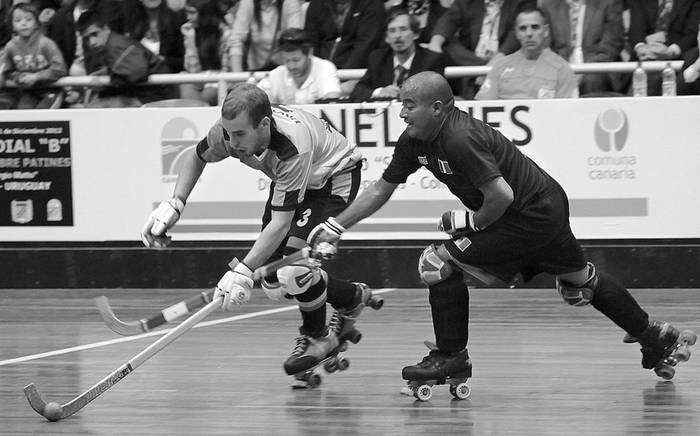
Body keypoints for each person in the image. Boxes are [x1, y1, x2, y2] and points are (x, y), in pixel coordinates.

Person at [307, 71, 696, 387]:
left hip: (526, 214)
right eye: (401, 104)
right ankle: (655, 336)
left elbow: (501, 195)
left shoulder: (459, 138)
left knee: (435, 263)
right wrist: (335, 225)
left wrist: (467, 223)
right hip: (545, 204)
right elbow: (381, 188)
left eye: (409, 105)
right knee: (579, 281)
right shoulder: (415, 140)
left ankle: (451, 357)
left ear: (438, 108)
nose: (402, 113)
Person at [140, 82, 382, 379]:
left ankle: (317, 338)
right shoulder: (230, 131)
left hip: (333, 178)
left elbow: (281, 224)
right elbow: (195, 156)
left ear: (264, 124)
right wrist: (175, 203)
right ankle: (351, 297)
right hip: (294, 182)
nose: (232, 142)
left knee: (294, 270)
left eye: (240, 135)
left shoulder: (290, 146)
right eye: (228, 134)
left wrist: (241, 270)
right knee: (273, 285)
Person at [77, 8, 177, 107]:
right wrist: (108, 72)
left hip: (156, 98)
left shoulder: (115, 45)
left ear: (106, 28)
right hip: (150, 96)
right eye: (86, 39)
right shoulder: (110, 45)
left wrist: (107, 83)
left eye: (95, 34)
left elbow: (138, 72)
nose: (92, 42)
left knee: (96, 107)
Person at [475, 7, 577, 99]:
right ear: (516, 33)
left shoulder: (562, 69)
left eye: (535, 27)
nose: (529, 34)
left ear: (546, 31)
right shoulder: (500, 66)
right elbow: (482, 106)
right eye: (523, 28)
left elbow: (568, 111)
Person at [349, 6, 446, 102]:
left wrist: (404, 94)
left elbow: (437, 94)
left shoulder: (431, 60)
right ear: (387, 38)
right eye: (392, 31)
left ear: (416, 34)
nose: (397, 36)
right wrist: (380, 92)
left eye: (403, 29)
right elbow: (358, 92)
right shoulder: (377, 58)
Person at [540, 0, 625, 96]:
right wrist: (564, 70)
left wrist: (584, 70)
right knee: (546, 78)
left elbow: (611, 46)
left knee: (592, 79)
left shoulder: (608, 3)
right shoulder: (548, 5)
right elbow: (545, 46)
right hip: (562, 65)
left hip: (597, 66)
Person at [0, 2, 67, 108]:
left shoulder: (46, 43)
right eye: (18, 20)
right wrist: (18, 76)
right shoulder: (11, 46)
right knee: (23, 114)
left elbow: (60, 69)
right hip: (29, 91)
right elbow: (7, 70)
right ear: (12, 26)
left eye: (28, 19)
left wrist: (36, 77)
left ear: (36, 24)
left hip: (52, 89)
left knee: (42, 113)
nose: (23, 23)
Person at [628, 0, 700, 95]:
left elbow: (692, 33)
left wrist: (670, 51)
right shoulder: (641, 2)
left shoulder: (693, 2)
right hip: (643, 60)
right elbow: (635, 30)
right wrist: (641, 48)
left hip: (676, 59)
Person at [256, 27, 342, 104]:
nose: (291, 66)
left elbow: (332, 100)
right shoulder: (276, 74)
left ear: (309, 53)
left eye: (296, 60)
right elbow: (256, 100)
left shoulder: (325, 67)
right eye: (286, 60)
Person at [179, 0, 233, 105]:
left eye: (192, 13)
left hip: (221, 81)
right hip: (200, 80)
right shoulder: (192, 32)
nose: (188, 17)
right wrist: (190, 40)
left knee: (206, 95)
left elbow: (227, 72)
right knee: (185, 85)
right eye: (187, 12)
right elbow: (192, 70)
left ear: (206, 13)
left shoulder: (226, 34)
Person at [227, 0, 304, 72]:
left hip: (284, 68)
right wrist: (237, 77)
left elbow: (295, 39)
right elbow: (236, 40)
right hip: (256, 68)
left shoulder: (290, 3)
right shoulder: (248, 3)